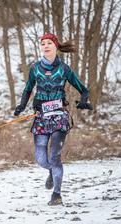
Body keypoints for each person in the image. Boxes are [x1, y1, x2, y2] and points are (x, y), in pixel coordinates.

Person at [14, 33, 93, 206]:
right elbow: (28, 90)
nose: (46, 46)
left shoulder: (64, 69)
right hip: (41, 117)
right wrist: (21, 106)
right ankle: (50, 171)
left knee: (55, 157)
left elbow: (83, 89)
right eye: (43, 43)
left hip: (59, 117)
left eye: (49, 43)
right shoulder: (35, 68)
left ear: (56, 46)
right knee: (41, 159)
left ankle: (56, 194)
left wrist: (84, 102)